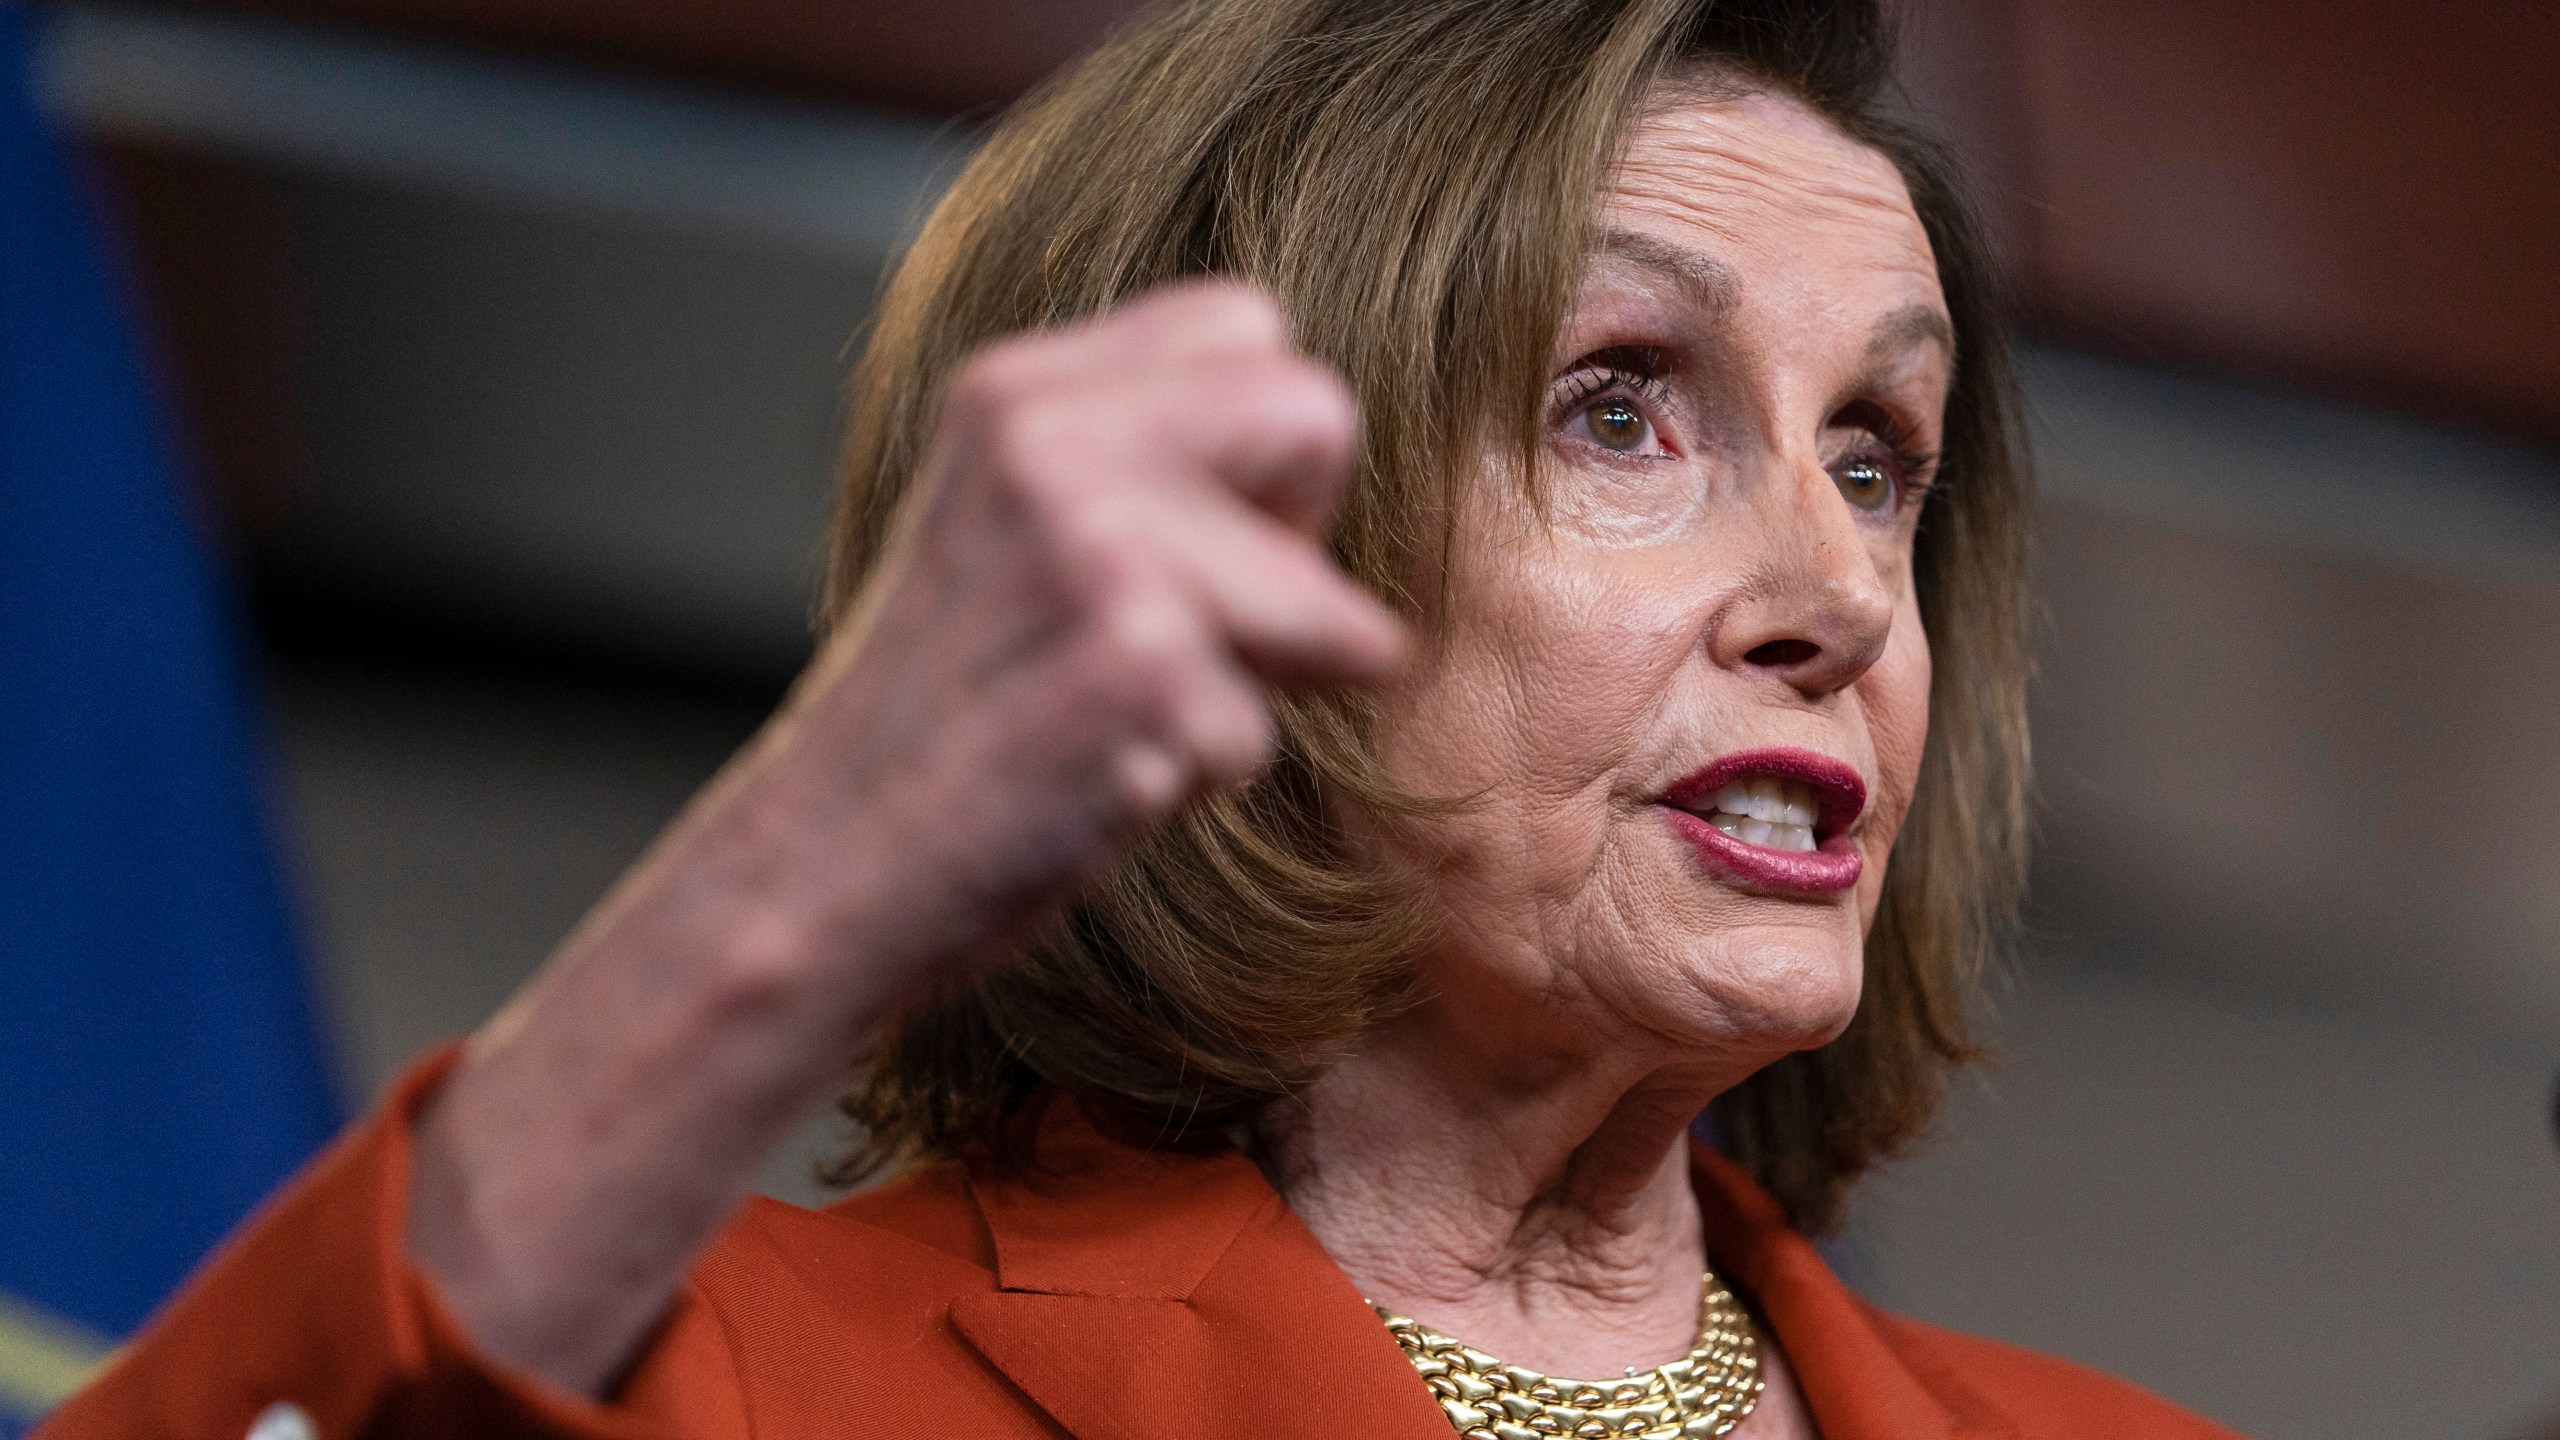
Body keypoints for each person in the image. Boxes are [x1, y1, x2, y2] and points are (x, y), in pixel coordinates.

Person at [41, 1, 2244, 1436]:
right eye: (1618, 409)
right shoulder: (731, 1382)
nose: (1837, 594)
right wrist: (811, 858)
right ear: (1221, 532)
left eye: (1876, 454)